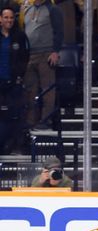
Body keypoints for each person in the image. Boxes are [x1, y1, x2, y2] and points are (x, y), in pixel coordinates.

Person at [22, 0, 63, 129]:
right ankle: (31, 121)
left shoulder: (53, 9)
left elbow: (59, 31)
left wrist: (55, 51)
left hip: (46, 54)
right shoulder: (28, 10)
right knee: (30, 89)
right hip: (30, 55)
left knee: (47, 90)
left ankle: (46, 119)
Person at [0, 6, 29, 153]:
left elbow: (25, 58)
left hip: (13, 84)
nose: (9, 20)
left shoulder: (20, 36)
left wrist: (18, 77)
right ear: (0, 19)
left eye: (11, 17)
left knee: (15, 115)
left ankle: (14, 145)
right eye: (6, 17)